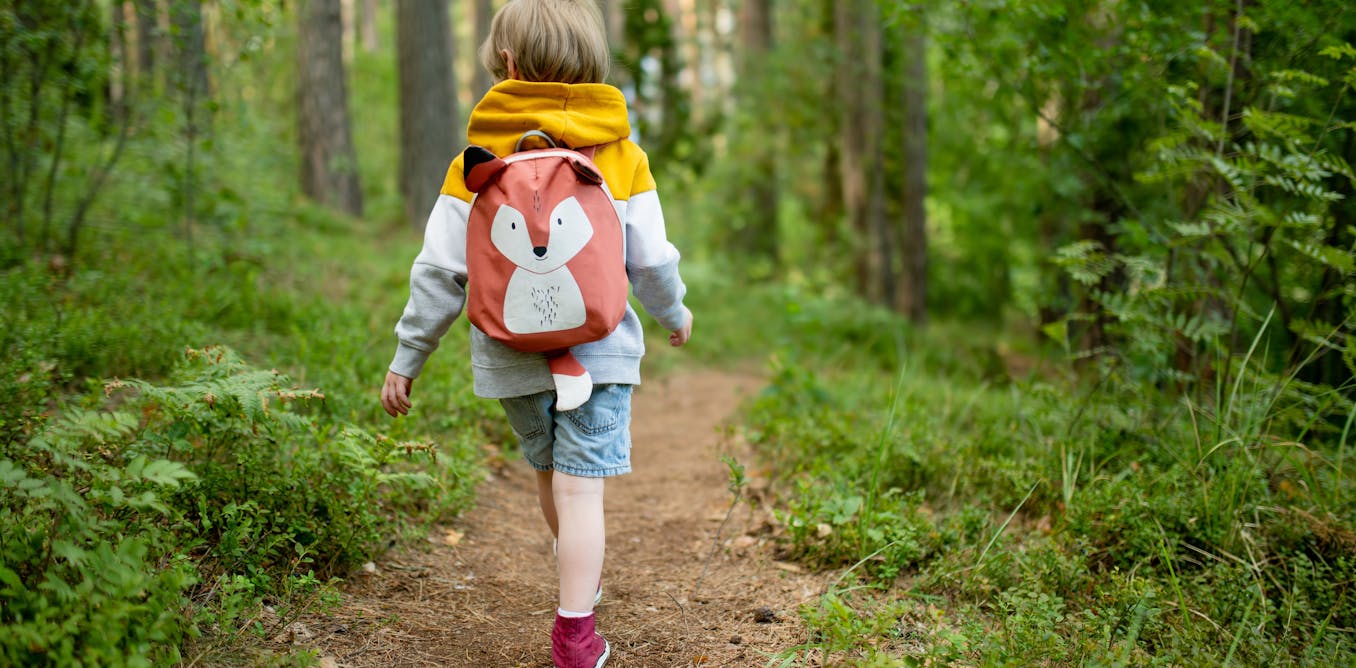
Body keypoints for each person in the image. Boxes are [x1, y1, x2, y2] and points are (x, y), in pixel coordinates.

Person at [378, 1, 692, 666]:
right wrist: (675, 313)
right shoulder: (622, 153)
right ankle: (577, 633)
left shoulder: (475, 160)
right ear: (588, 60)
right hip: (600, 351)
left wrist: (410, 355)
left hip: (510, 351)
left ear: (509, 63)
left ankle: (575, 572)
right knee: (584, 488)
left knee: (552, 473)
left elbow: (440, 268)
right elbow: (651, 259)